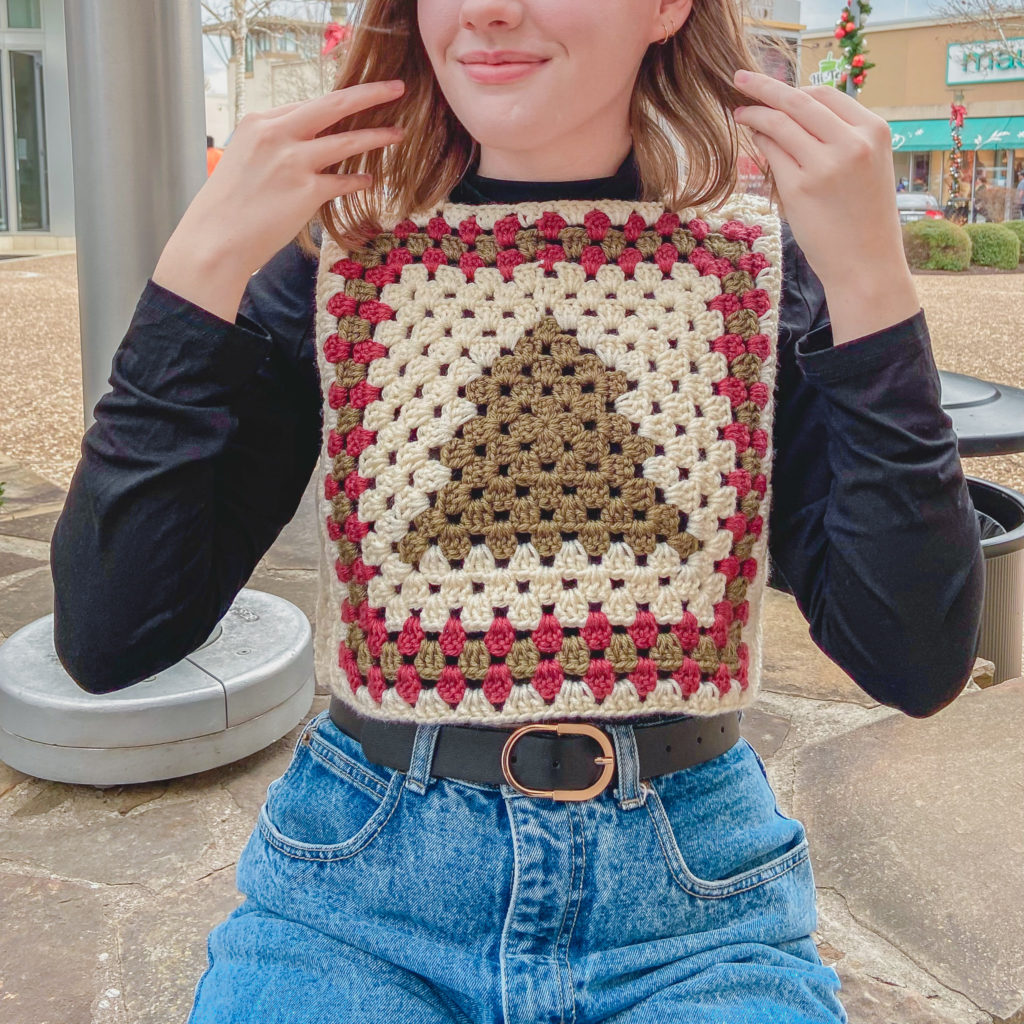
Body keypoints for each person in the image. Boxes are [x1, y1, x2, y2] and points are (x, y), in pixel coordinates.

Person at [50, 1, 985, 1020]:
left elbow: (915, 656)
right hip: (356, 904)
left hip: (692, 921)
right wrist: (197, 273)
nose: (490, 9)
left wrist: (873, 287)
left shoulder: (760, 278)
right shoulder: (334, 266)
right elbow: (111, 636)